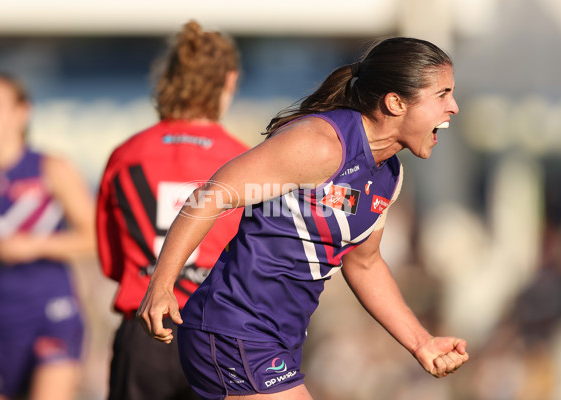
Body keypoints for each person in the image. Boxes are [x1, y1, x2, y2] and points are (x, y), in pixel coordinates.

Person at [137, 36, 471, 399]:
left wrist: (421, 342)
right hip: (233, 328)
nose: (453, 107)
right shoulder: (320, 144)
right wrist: (161, 284)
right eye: (442, 94)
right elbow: (210, 196)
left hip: (277, 340)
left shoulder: (389, 175)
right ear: (395, 102)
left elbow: (365, 265)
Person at [96, 20, 248, 400]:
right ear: (229, 80)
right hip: (219, 334)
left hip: (144, 332)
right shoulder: (245, 160)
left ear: (168, 79)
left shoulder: (125, 155)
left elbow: (111, 262)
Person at [0, 72, 96, 400]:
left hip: (53, 314)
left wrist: (35, 246)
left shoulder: (51, 168)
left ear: (22, 112)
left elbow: (93, 238)